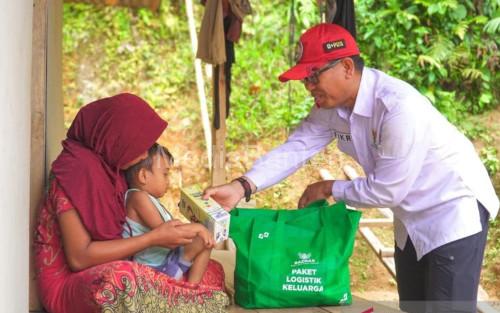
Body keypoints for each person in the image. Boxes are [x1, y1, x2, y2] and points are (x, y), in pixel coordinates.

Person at [204, 23, 499, 313]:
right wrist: (242, 186)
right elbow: (296, 147)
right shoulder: (332, 108)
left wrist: (329, 187)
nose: (308, 87)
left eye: (313, 76)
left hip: (451, 210)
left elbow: (387, 190)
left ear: (346, 67)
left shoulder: (398, 108)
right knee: (413, 306)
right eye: (304, 79)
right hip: (410, 217)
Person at [34, 93, 229, 313]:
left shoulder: (113, 170)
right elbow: (79, 258)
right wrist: (153, 238)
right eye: (140, 144)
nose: (145, 153)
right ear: (116, 138)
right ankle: (185, 299)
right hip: (71, 282)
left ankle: (181, 297)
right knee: (124, 280)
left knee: (210, 269)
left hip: (121, 261)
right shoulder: (75, 175)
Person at [123, 143, 214, 283]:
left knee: (208, 239)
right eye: (165, 174)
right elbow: (170, 235)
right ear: (143, 175)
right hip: (151, 268)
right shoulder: (138, 197)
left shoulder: (152, 200)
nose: (168, 181)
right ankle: (177, 275)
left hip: (168, 257)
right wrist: (198, 228)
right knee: (203, 232)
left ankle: (191, 288)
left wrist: (198, 224)